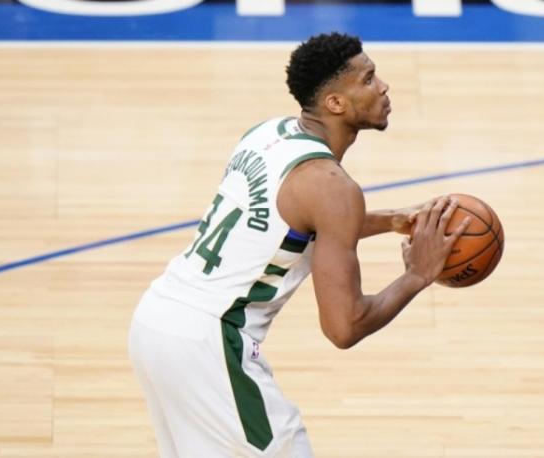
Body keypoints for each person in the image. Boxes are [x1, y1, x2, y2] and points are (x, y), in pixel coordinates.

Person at [128, 32, 470, 458]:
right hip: (210, 343)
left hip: (157, 320)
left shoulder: (268, 133)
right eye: (367, 79)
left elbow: (300, 222)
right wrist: (418, 275)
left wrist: (393, 220)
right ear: (335, 103)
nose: (383, 87)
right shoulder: (331, 186)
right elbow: (344, 327)